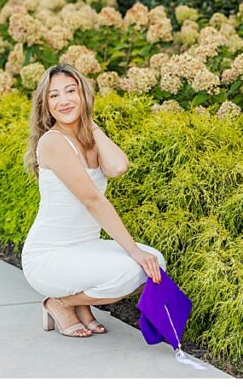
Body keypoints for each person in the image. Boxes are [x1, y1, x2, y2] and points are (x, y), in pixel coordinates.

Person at [21, 63, 166, 338]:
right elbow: (92, 201)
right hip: (50, 255)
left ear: (83, 95)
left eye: (70, 91)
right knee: (131, 268)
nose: (63, 100)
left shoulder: (88, 138)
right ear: (46, 104)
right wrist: (133, 250)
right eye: (54, 95)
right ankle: (61, 303)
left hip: (86, 247)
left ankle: (80, 305)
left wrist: (90, 125)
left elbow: (118, 167)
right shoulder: (53, 142)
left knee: (155, 263)